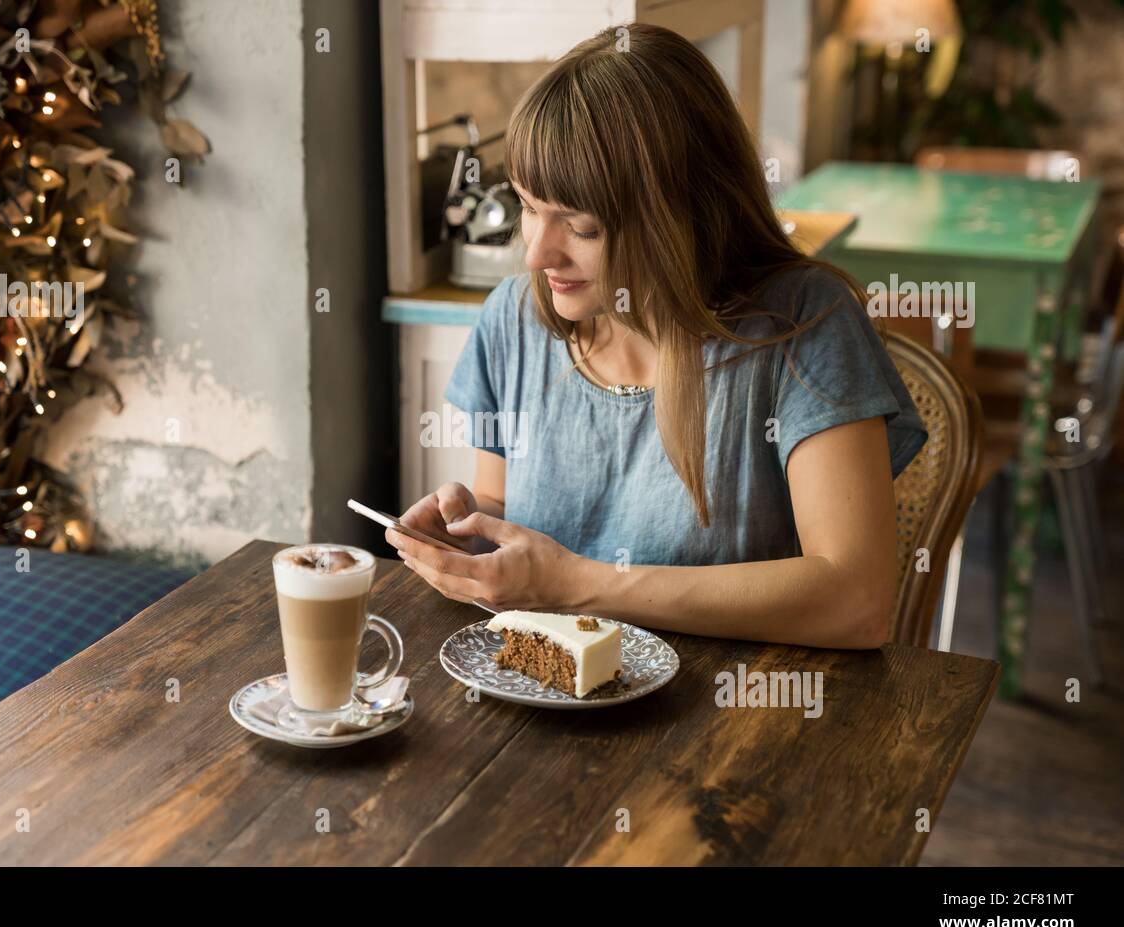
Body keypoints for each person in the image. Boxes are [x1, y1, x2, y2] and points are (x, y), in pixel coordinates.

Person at [387, 23, 926, 650]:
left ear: (679, 217)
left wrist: (575, 584)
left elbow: (855, 601)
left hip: (737, 716)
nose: (537, 255)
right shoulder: (515, 317)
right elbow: (501, 503)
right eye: (530, 207)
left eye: (580, 227)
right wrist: (472, 538)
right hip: (545, 706)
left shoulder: (805, 325)